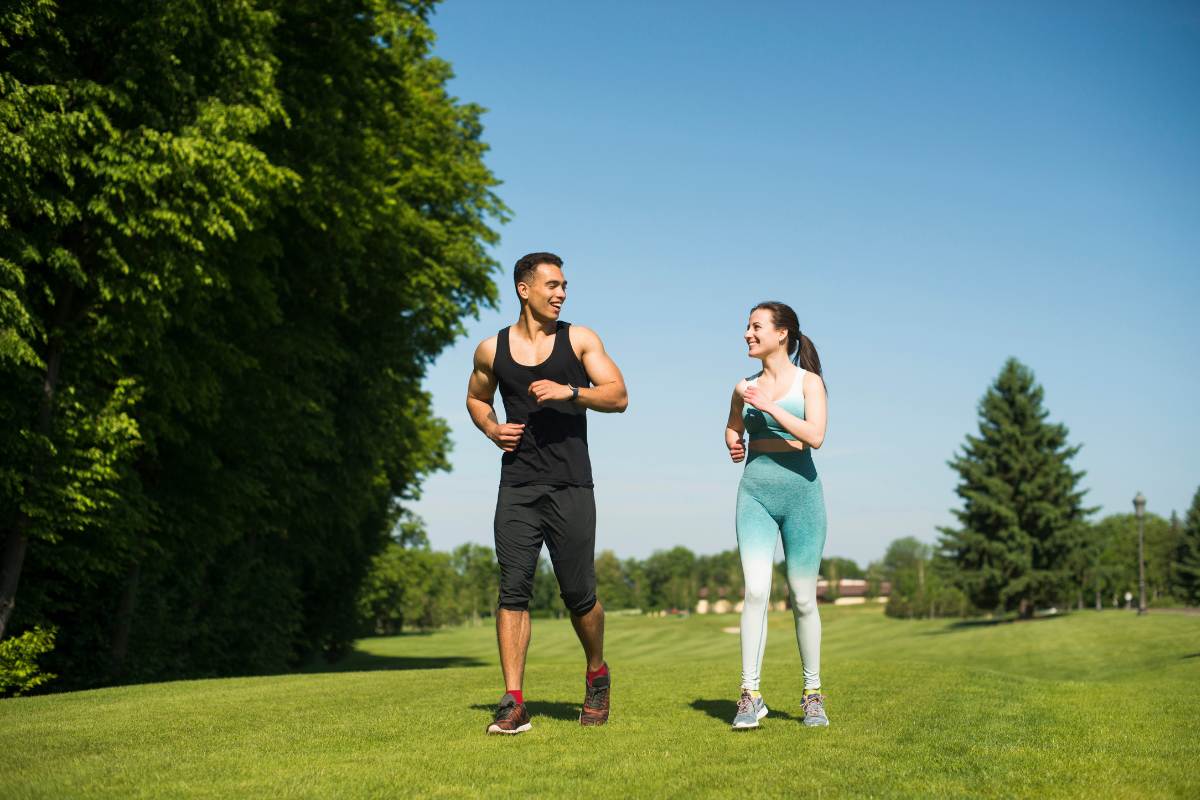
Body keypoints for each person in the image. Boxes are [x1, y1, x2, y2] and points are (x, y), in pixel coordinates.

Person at [466, 252, 629, 735]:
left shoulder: (579, 339)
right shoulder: (490, 350)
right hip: (517, 485)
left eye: (564, 287)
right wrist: (493, 429)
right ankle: (513, 701)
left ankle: (596, 673)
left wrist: (570, 392)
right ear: (524, 289)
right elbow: (476, 397)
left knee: (579, 595)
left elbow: (618, 395)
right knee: (513, 590)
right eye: (552, 285)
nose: (560, 294)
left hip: (571, 484)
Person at [723, 301, 829, 730]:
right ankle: (750, 694)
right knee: (755, 592)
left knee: (803, 599)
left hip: (802, 499)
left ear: (782, 333)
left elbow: (815, 437)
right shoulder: (742, 386)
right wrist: (733, 442)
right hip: (755, 498)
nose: (748, 333)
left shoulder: (810, 383)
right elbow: (733, 425)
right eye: (746, 327)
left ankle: (812, 693)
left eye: (756, 326)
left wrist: (770, 407)